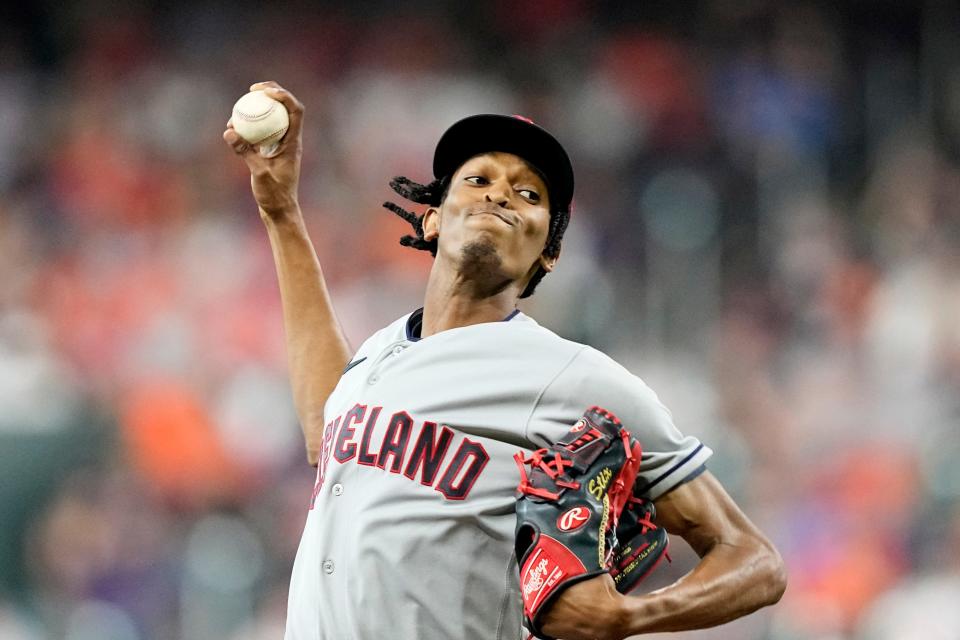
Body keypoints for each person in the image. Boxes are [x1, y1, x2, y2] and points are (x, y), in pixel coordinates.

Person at [223, 81, 787, 640]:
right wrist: (281, 212)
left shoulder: (573, 377)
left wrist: (630, 616)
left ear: (549, 253)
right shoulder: (382, 348)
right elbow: (329, 430)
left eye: (529, 195)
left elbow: (753, 560)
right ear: (432, 219)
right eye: (478, 179)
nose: (499, 194)